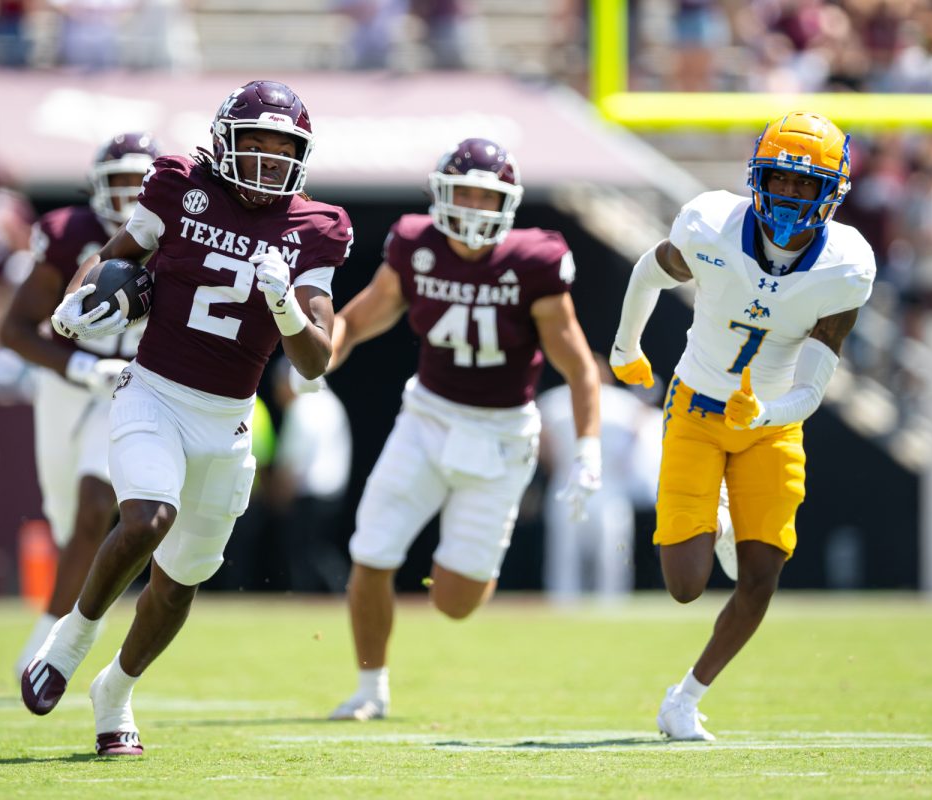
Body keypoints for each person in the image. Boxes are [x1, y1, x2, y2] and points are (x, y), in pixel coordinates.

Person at [19, 80, 354, 756]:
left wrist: (286, 306)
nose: (265, 161)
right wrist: (77, 301)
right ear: (224, 140)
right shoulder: (178, 186)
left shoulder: (316, 228)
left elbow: (317, 361)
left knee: (177, 588)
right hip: (153, 392)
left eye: (280, 148)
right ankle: (71, 636)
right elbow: (115, 259)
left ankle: (114, 691)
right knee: (146, 517)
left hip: (227, 419)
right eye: (252, 144)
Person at [609, 111, 874, 741]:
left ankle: (685, 698)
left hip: (772, 426)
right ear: (757, 176)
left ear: (830, 193)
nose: (788, 195)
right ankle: (721, 519)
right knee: (684, 585)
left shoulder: (845, 266)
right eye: (780, 179)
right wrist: (625, 345)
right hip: (697, 408)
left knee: (761, 576)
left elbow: (812, 386)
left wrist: (766, 413)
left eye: (805, 185)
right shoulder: (711, 226)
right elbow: (651, 266)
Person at [321, 137, 601, 721]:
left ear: (509, 204)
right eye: (463, 193)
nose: (473, 208)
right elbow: (360, 316)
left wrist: (588, 449)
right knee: (370, 552)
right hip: (427, 418)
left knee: (454, 602)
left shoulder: (534, 261)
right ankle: (371, 686)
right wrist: (319, 361)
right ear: (440, 195)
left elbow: (578, 366)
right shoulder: (415, 244)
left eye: (486, 196)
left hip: (500, 436)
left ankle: (467, 562)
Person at [0, 132, 161, 679]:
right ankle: (68, 609)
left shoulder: (179, 241)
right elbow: (14, 331)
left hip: (132, 388)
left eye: (140, 184)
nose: (128, 198)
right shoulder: (68, 235)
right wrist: (78, 366)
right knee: (69, 522)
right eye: (118, 184)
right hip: (68, 389)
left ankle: (49, 640)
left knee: (97, 508)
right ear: (95, 188)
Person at [536, 353, 659, 600]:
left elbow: (646, 435)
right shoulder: (556, 401)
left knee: (611, 552)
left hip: (608, 484)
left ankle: (609, 604)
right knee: (565, 552)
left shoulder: (622, 403)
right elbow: (541, 439)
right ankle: (565, 604)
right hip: (568, 482)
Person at [267, 356, 352, 593]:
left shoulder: (304, 407)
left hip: (310, 494)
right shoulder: (330, 402)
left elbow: (292, 463)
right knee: (319, 549)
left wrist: (277, 498)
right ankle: (343, 592)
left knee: (305, 554)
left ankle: (338, 593)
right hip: (332, 492)